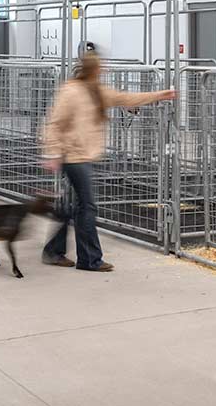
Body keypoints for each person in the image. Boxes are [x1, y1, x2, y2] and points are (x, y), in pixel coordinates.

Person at [41, 50, 175, 272]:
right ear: (93, 69)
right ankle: (89, 259)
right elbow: (55, 123)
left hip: (82, 155)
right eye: (100, 67)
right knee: (87, 206)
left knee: (72, 206)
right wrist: (53, 153)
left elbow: (126, 99)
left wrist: (161, 95)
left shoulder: (97, 91)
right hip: (73, 156)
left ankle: (53, 251)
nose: (104, 70)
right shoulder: (71, 91)